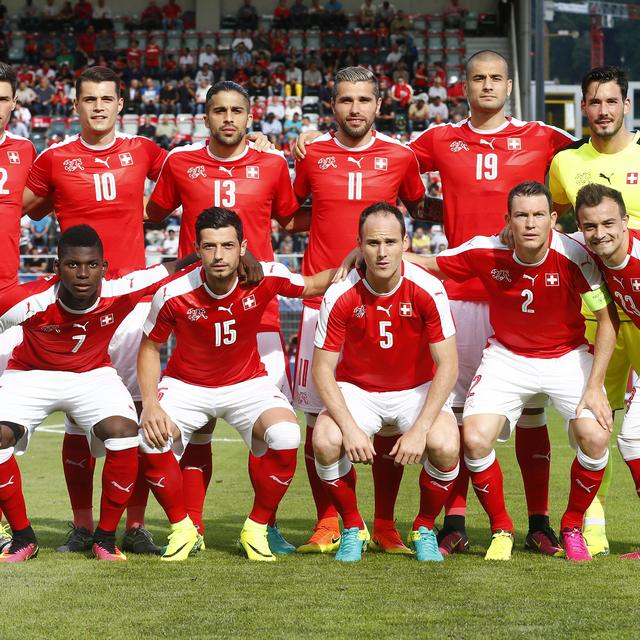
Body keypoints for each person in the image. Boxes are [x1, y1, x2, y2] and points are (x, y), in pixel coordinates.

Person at [410, 181, 617, 561]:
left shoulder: (575, 254)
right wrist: (365, 253)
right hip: (508, 356)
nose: (530, 223)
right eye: (521, 215)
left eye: (539, 214)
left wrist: (595, 384)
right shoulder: (486, 250)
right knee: (473, 438)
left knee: (596, 436)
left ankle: (570, 526)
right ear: (508, 220)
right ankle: (502, 527)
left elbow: (606, 318)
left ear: (554, 219)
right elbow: (428, 263)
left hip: (566, 356)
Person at [146, 81, 300, 550]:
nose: (228, 118)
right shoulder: (180, 161)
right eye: (219, 111)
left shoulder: (273, 163)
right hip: (197, 308)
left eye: (237, 110)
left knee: (269, 428)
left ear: (251, 117)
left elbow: (292, 220)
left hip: (260, 311)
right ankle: (191, 526)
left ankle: (265, 526)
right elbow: (152, 214)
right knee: (199, 426)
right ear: (206, 116)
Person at [137, 207, 338, 561]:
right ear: (197, 250)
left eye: (227, 245)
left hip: (246, 383)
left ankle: (256, 527)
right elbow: (150, 348)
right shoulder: (172, 293)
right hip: (187, 385)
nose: (219, 255)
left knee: (287, 435)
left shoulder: (265, 277)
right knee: (148, 437)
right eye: (210, 247)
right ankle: (183, 528)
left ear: (243, 247)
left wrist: (357, 259)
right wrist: (151, 404)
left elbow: (311, 285)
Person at [22, 66, 167, 556]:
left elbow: (197, 173)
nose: (99, 107)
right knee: (78, 422)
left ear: (121, 103)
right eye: (90, 99)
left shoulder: (145, 151)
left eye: (107, 98)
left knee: (140, 416)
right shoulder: (55, 158)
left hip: (132, 304)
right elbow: (17, 206)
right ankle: (83, 525)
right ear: (76, 105)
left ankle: (135, 524)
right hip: (75, 308)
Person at [0, 224, 198, 562]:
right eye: (72, 265)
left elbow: (172, 268)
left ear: (103, 267)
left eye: (91, 265)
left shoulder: (120, 290)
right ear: (56, 267)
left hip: (92, 376)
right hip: (31, 375)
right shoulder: (26, 299)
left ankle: (105, 537)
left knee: (124, 431)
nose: (82, 273)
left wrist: (234, 255)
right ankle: (23, 537)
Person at [291, 66, 426, 555]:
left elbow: (420, 207)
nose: (355, 109)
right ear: (333, 106)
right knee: (316, 418)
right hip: (319, 303)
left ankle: (386, 523)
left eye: (364, 100)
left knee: (387, 411)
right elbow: (289, 211)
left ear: (378, 106)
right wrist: (269, 145)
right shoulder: (313, 154)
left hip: (382, 302)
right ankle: (331, 520)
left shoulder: (400, 155)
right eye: (345, 100)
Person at [312, 202, 458, 562]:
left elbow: (448, 365)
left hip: (416, 389)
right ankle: (352, 527)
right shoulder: (340, 293)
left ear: (405, 243)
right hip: (359, 390)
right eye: (373, 243)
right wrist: (349, 427)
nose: (382, 252)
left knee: (445, 444)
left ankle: (424, 526)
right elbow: (322, 370)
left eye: (390, 242)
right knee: (326, 439)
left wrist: (420, 429)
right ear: (359, 244)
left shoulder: (427, 288)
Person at [549, 66, 640, 556]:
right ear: (582, 107)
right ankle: (591, 524)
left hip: (639, 295)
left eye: (611, 101)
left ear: (626, 104)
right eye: (594, 102)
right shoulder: (565, 163)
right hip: (599, 309)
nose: (603, 111)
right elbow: (554, 218)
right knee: (592, 418)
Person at [574, 183, 640, 560]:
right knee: (632, 439)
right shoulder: (589, 252)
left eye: (609, 224)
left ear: (626, 221)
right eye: (590, 226)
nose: (600, 234)